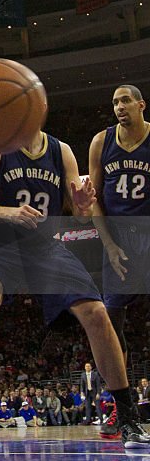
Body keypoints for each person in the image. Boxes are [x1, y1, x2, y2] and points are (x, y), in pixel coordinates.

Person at [0, 129, 150, 450]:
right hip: (0, 243)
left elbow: (79, 214)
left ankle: (127, 418)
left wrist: (83, 205)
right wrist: (8, 212)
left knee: (96, 312)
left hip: (45, 246)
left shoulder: (62, 151)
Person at [88, 85, 150, 365]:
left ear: (141, 105)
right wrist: (109, 244)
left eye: (125, 100)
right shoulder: (101, 141)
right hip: (118, 237)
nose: (119, 107)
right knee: (111, 319)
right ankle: (120, 401)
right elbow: (93, 200)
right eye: (115, 103)